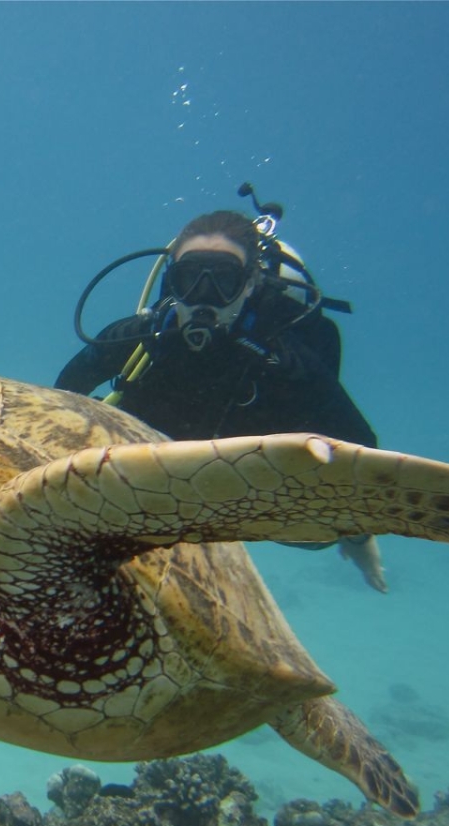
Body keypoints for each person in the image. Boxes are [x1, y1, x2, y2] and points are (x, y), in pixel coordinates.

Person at [55, 209, 386, 593]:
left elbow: (360, 451)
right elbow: (59, 402)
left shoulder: (286, 363)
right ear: (172, 282)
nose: (204, 298)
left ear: (249, 285)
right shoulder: (137, 338)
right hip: (148, 481)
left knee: (313, 537)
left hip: (244, 492)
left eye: (223, 281)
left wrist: (358, 534)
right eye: (190, 279)